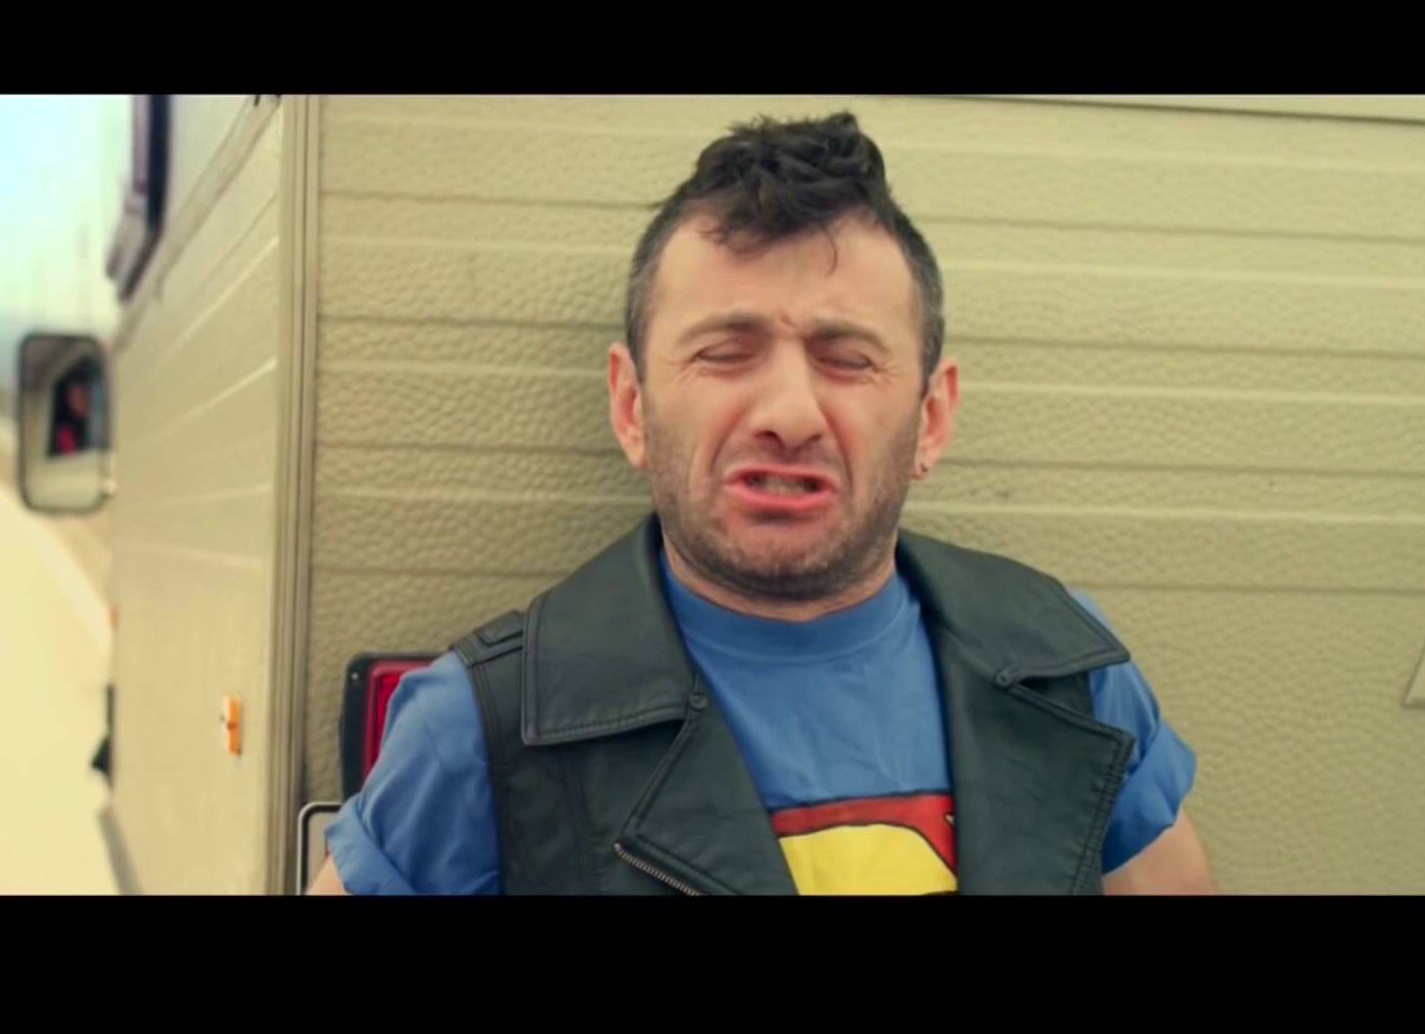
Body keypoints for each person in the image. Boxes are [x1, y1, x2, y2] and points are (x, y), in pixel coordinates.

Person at [307, 111, 1218, 896]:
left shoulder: (1071, 675)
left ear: (932, 417)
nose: (789, 414)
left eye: (847, 359)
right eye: (725, 353)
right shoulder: (482, 728)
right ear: (631, 407)